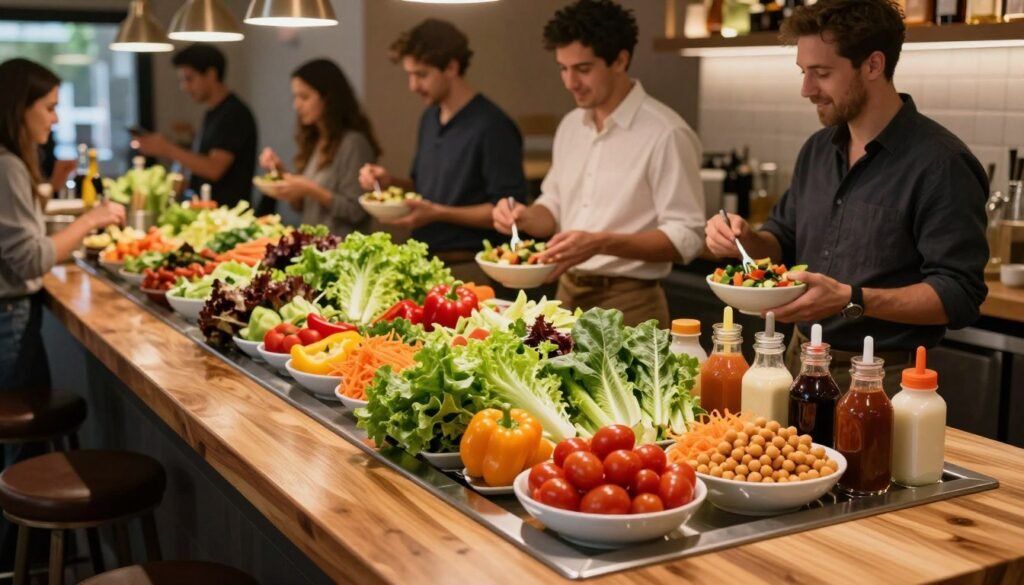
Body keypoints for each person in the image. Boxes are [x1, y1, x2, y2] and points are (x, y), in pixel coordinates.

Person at [704, 0, 989, 387]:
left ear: (873, 65)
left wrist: (851, 297)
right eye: (804, 72)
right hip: (797, 360)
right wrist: (744, 238)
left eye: (821, 73)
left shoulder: (942, 163)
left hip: (880, 375)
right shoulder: (817, 150)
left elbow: (959, 294)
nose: (806, 89)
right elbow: (782, 241)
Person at [491, 0, 706, 326]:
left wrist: (601, 242)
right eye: (563, 68)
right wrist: (525, 216)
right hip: (566, 294)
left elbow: (687, 237)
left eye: (583, 69)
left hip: (631, 301)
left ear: (620, 60)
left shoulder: (667, 132)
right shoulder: (570, 125)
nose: (569, 82)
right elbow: (555, 204)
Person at [0, 57, 125, 567]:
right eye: (48, 107)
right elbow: (30, 256)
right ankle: (25, 559)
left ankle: (29, 554)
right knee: (23, 455)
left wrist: (51, 184)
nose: (54, 119)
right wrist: (93, 219)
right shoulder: (5, 163)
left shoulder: (12, 160)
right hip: (9, 321)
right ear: (19, 107)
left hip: (10, 316)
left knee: (21, 455)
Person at [358, 19, 527, 282]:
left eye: (422, 74)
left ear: (451, 67)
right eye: (409, 75)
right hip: (425, 261)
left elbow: (509, 210)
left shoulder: (493, 126)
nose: (412, 86)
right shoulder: (429, 118)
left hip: (470, 266)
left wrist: (439, 213)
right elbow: (421, 188)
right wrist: (389, 182)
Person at [134, 44, 265, 212]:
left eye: (189, 79)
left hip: (228, 217)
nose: (184, 87)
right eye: (182, 80)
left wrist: (167, 148)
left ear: (211, 75)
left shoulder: (234, 114)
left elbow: (214, 168)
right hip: (208, 213)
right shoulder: (213, 112)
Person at [259, 59, 380, 238]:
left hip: (342, 250)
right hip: (313, 246)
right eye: (295, 97)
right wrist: (281, 174)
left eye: (305, 97)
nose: (297, 105)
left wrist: (310, 189)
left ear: (328, 98)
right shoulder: (316, 140)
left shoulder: (353, 143)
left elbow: (356, 211)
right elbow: (300, 206)